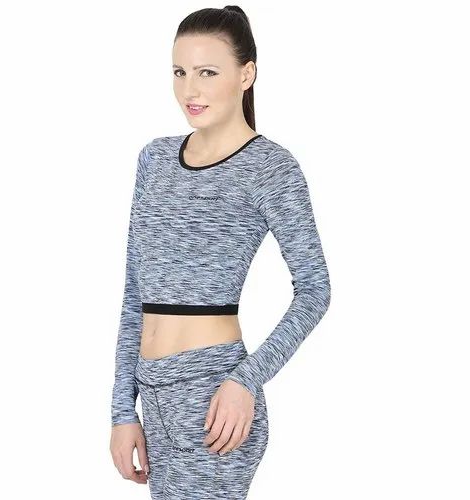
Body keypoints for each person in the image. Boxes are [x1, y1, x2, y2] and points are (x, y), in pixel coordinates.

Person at [109, 6, 331, 500]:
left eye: (208, 72)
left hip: (213, 397)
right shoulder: (154, 159)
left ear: (246, 75)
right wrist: (123, 410)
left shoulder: (270, 168)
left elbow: (315, 290)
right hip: (153, 397)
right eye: (180, 72)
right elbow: (134, 292)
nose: (190, 90)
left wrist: (245, 381)